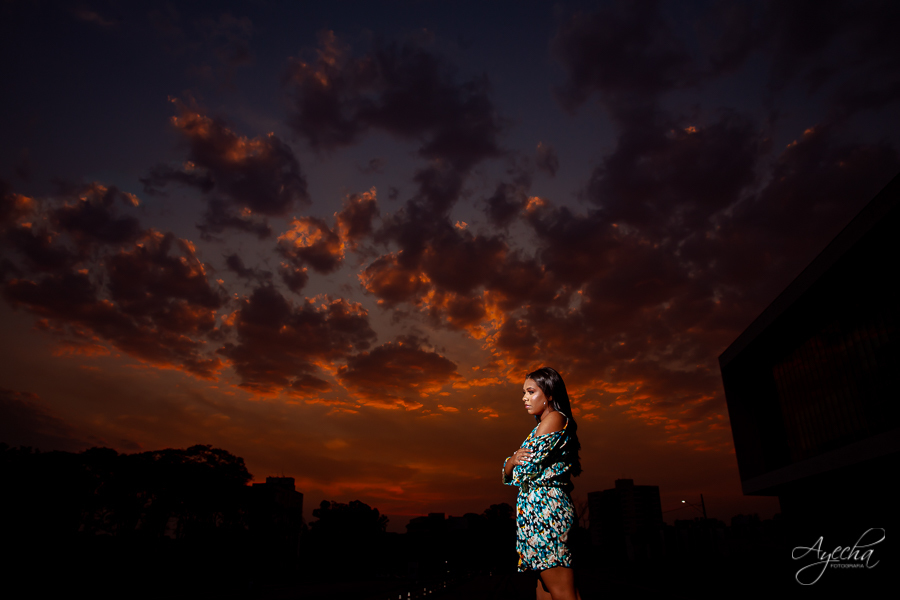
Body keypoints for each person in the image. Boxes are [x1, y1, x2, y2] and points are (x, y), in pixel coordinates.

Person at [503, 367, 582, 600]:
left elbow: (522, 471)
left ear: (548, 394)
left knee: (563, 594)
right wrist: (512, 461)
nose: (524, 398)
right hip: (536, 516)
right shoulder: (539, 427)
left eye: (530, 391)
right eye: (523, 392)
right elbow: (510, 470)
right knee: (545, 592)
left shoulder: (555, 418)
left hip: (548, 514)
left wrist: (512, 461)